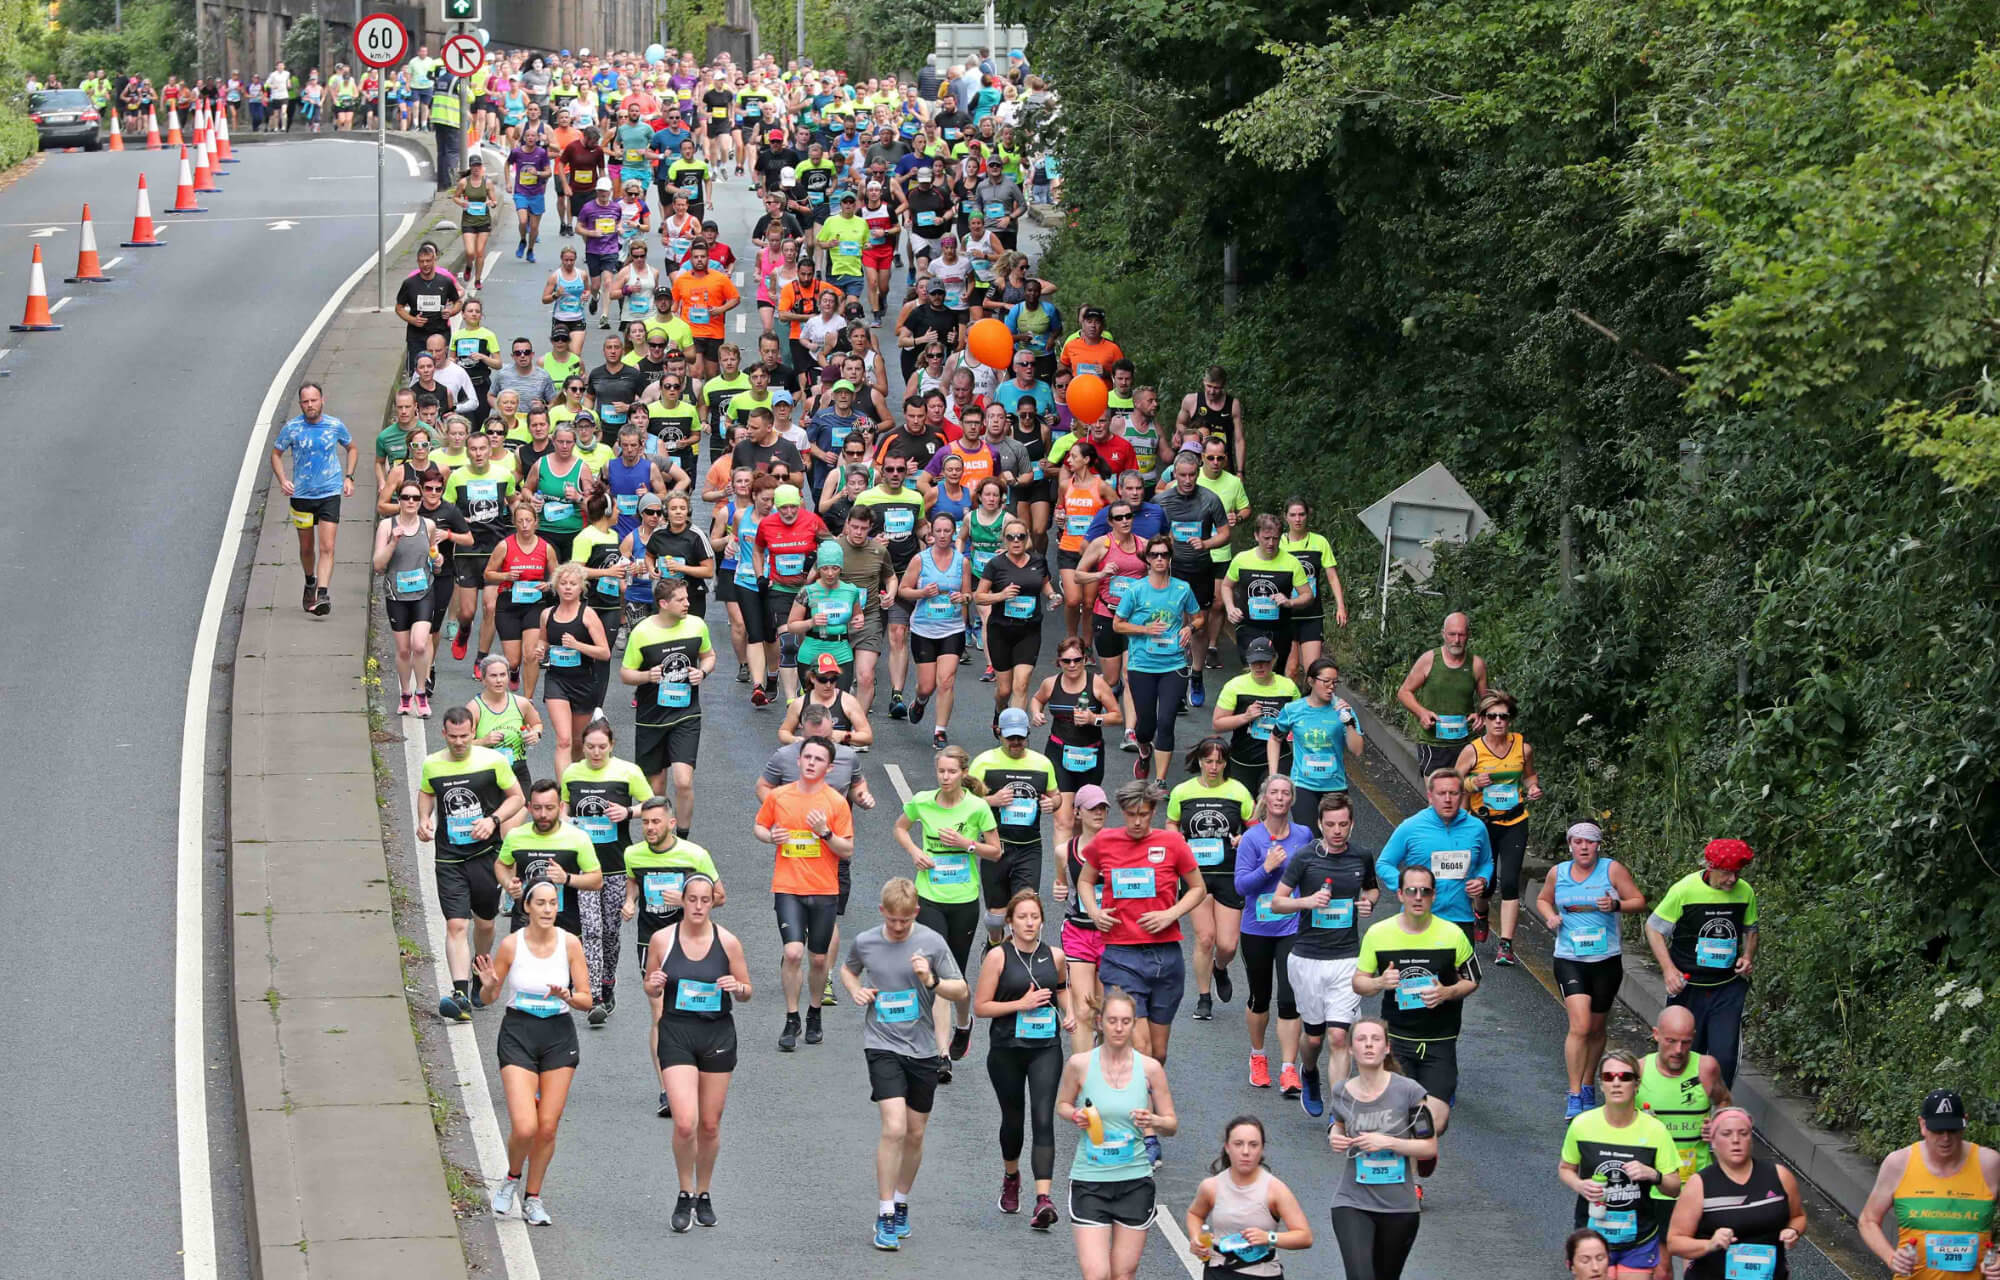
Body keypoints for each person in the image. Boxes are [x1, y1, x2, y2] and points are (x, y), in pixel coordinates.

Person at [842, 877, 970, 1251]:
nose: (898, 927)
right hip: (881, 1043)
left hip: (922, 1047)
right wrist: (855, 990)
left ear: (915, 913)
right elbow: (849, 970)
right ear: (883, 912)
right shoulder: (866, 941)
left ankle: (901, 1201)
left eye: (905, 920)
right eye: (892, 920)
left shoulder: (930, 942)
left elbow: (960, 988)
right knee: (894, 1126)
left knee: (915, 1132)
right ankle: (883, 1213)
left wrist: (930, 980)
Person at [474, 878, 591, 1226]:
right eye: (540, 903)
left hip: (558, 1035)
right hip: (518, 1034)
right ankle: (511, 1178)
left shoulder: (570, 944)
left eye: (553, 903)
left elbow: (586, 999)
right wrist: (490, 986)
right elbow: (488, 999)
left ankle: (533, 1198)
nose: (547, 909)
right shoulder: (511, 945)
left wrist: (568, 996)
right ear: (526, 906)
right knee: (525, 1127)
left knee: (548, 1127)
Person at [1076, 779, 1205, 1087]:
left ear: (1153, 812)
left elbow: (1198, 888)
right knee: (1141, 1047)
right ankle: (1140, 1123)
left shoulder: (1172, 844)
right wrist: (1093, 911)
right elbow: (1084, 881)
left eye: (1144, 814)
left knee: (1158, 1053)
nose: (1137, 821)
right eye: (1131, 814)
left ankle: (1133, 1090)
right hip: (1121, 955)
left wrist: (1170, 913)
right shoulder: (1104, 842)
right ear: (1122, 812)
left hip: (1166, 956)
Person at [644, 872, 751, 1231]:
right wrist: (654, 985)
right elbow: (650, 986)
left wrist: (737, 987)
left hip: (717, 1034)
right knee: (685, 1122)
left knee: (708, 1124)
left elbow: (747, 988)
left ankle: (704, 1192)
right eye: (693, 900)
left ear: (713, 903)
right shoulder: (662, 939)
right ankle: (684, 1191)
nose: (699, 906)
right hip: (676, 1033)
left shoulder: (728, 942)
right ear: (683, 901)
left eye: (706, 900)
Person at [1057, 986, 1179, 1280]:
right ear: (1100, 1022)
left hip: (1134, 1180)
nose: (1119, 1028)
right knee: (1096, 1273)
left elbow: (1172, 1123)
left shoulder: (1150, 1069)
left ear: (1133, 1022)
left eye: (1126, 1021)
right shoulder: (1080, 1064)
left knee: (1123, 1273)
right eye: (1112, 1020)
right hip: (1090, 1180)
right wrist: (1075, 1115)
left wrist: (1154, 1120)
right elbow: (1062, 1103)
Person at [895, 745, 1002, 1077]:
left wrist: (965, 844)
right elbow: (899, 827)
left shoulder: (978, 807)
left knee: (955, 978)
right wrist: (914, 851)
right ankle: (941, 1054)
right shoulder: (923, 801)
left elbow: (996, 851)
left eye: (952, 772)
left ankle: (963, 1022)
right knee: (936, 972)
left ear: (963, 774)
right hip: (929, 896)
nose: (945, 777)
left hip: (964, 901)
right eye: (941, 771)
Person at [973, 888, 1075, 1229]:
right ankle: (1011, 1176)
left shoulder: (1056, 956)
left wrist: (1069, 1013)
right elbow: (981, 1007)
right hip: (1007, 1050)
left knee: (1043, 1118)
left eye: (1034, 917)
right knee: (1013, 1121)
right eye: (1022, 918)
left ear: (1042, 921)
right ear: (1011, 923)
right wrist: (1021, 1005)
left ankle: (1044, 1199)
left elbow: (1061, 989)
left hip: (1046, 1047)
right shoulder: (998, 957)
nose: (1029, 923)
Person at [417, 706, 525, 1020]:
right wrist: (424, 819)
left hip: (486, 855)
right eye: (453, 737)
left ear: (472, 731)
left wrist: (493, 820)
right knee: (456, 924)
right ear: (444, 734)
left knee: (486, 923)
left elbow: (516, 797)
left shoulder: (492, 761)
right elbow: (427, 792)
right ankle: (460, 992)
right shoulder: (433, 764)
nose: (460, 742)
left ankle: (481, 962)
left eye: (465, 736)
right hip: (449, 857)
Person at [1536, 822, 1647, 1117]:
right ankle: (1573, 1094)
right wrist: (1549, 917)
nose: (1584, 847)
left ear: (1598, 846)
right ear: (1570, 845)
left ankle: (1587, 1084)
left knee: (1597, 1029)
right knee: (1581, 1026)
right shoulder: (1558, 873)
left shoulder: (1612, 870)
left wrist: (1615, 905)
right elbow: (1543, 899)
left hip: (1606, 960)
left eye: (1590, 842)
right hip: (1570, 959)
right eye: (1578, 842)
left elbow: (1639, 901)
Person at [620, 797, 722, 1112]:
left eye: (655, 822)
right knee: (661, 1015)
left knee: (691, 1013)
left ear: (671, 823)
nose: (649, 828)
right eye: (645, 823)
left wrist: (686, 901)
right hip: (651, 944)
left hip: (691, 943)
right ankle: (668, 1089)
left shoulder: (695, 855)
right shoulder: (633, 854)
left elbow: (719, 896)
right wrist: (630, 901)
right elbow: (633, 882)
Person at [1353, 865, 1479, 1119]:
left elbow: (1473, 979)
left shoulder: (1453, 934)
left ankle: (1418, 1154)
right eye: (1411, 891)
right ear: (1400, 894)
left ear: (1434, 896)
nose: (1418, 897)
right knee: (1398, 1118)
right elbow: (1358, 983)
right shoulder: (1378, 934)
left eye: (1425, 891)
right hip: (1397, 1041)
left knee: (1435, 1122)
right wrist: (1379, 983)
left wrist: (1447, 992)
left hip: (1439, 1041)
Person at [756, 736, 855, 1051]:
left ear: (828, 767)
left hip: (824, 889)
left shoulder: (836, 803)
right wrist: (770, 836)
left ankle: (814, 1012)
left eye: (819, 759)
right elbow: (759, 826)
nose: (812, 763)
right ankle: (791, 1018)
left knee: (818, 958)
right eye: (807, 757)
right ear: (798, 761)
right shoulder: (779, 796)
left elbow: (847, 848)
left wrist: (825, 833)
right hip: (788, 887)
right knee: (794, 952)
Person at [1325, 1016, 1440, 1280]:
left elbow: (1429, 1147)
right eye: (1361, 1040)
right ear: (1351, 1049)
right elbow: (1338, 1123)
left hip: (1399, 1207)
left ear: (1386, 1047)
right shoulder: (1342, 1091)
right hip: (1352, 1201)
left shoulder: (1409, 1091)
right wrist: (1335, 1135)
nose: (1368, 1045)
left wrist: (1386, 1142)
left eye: (1375, 1039)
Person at [1558, 1048, 1685, 1279]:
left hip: (1638, 1238)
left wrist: (1653, 1174)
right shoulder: (1582, 1125)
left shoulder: (1655, 1130)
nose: (1616, 1083)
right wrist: (1580, 1186)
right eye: (1609, 1077)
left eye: (1625, 1077)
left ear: (1636, 1085)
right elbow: (1566, 1169)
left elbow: (1675, 1186)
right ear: (1602, 1084)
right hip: (1592, 1237)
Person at [1646, 838, 1758, 1088]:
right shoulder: (1684, 890)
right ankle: (1679, 1109)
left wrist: (1748, 956)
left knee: (1724, 1057)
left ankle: (1719, 1115)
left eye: (1737, 873)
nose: (1732, 880)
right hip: (1688, 986)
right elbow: (1654, 928)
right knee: (1683, 1054)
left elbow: (1751, 928)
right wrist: (1668, 970)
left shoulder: (1745, 891)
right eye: (1727, 873)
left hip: (1726, 986)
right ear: (1711, 867)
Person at [560, 720, 652, 1021]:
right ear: (582, 747)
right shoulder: (572, 774)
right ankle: (595, 995)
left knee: (611, 932)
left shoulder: (628, 772)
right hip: (585, 869)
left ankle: (607, 981)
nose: (596, 752)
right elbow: (564, 808)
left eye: (602, 747)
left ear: (611, 746)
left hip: (615, 865)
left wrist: (628, 812)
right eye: (590, 747)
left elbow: (653, 806)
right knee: (591, 930)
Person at [1857, 1089, 2000, 1280]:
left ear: (1965, 1122)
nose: (1946, 1138)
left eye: (1952, 1129)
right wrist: (1891, 1258)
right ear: (1922, 1125)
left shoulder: (1989, 1164)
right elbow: (1868, 1220)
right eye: (1938, 1130)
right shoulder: (1899, 1164)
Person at [1232, 775, 1310, 1095]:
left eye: (1286, 793)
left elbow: (1314, 872)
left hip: (1291, 926)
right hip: (1257, 927)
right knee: (1259, 997)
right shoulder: (1252, 839)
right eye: (1274, 792)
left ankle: (1289, 1069)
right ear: (1265, 798)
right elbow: (1241, 887)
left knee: (1290, 999)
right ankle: (1258, 1056)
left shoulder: (1304, 835)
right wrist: (1266, 867)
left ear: (1292, 800)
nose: (1280, 798)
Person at [1168, 738, 1254, 1021]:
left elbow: (1255, 830)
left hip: (1230, 874)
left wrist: (1245, 838)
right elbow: (1172, 824)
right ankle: (1204, 998)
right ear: (1200, 762)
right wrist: (1176, 838)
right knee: (1205, 938)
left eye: (1219, 761)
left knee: (1227, 944)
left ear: (1226, 762)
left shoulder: (1238, 791)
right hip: (1196, 876)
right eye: (1208, 761)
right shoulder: (1182, 791)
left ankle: (1220, 967)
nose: (1213, 767)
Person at [1666, 1106, 1807, 1279]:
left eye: (1743, 1133)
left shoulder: (1779, 1175)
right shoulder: (1700, 1184)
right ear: (1713, 1140)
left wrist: (1793, 1231)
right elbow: (1674, 1242)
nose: (1735, 1140)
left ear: (1751, 1138)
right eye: (1726, 1134)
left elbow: (1798, 1216)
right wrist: (1710, 1244)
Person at [1453, 688, 1542, 959]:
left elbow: (1529, 776)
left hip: (1515, 820)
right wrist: (1472, 782)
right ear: (1484, 719)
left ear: (1510, 719)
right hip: (1483, 823)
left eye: (1503, 716)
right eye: (1492, 716)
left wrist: (1534, 787)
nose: (1498, 721)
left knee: (1511, 881)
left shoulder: (1522, 747)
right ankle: (1481, 913)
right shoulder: (1473, 750)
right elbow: (1452, 782)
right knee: (1487, 884)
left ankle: (1505, 944)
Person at [1112, 536, 1201, 781]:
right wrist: (1144, 630)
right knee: (1146, 725)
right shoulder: (1136, 590)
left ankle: (1160, 780)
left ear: (1170, 558)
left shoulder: (1182, 588)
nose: (1160, 559)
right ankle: (1144, 750)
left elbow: (1199, 617)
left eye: (1164, 554)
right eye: (1155, 555)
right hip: (1142, 665)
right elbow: (1117, 625)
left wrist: (1189, 629)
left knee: (1166, 721)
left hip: (1174, 664)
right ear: (1148, 560)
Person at [970, 709, 1060, 940]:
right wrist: (992, 800)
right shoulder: (983, 763)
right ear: (999, 733)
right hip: (996, 847)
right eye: (1011, 738)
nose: (1016, 743)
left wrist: (1053, 803)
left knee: (1027, 911)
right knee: (996, 918)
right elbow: (965, 803)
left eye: (1021, 737)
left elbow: (1056, 795)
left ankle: (1020, 960)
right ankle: (994, 942)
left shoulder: (1042, 763)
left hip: (1030, 847)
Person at [1185, 1116, 1314, 1276]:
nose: (1245, 1151)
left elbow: (1305, 1237)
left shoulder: (1275, 1190)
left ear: (1262, 1149)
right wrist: (1197, 1238)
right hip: (1218, 1272)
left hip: (1262, 1274)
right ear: (1227, 1147)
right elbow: (1195, 1214)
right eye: (1238, 1144)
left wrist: (1269, 1237)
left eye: (1253, 1145)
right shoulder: (1211, 1186)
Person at [271, 382, 356, 618]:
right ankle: (310, 581)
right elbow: (276, 454)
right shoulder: (292, 428)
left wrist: (349, 477)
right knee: (307, 548)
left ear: (322, 400)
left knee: (327, 547)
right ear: (300, 404)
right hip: (302, 496)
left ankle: (323, 593)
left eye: (314, 400)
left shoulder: (334, 425)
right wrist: (282, 479)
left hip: (329, 493)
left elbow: (352, 448)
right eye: (305, 402)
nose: (310, 405)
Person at [1376, 770, 1493, 940]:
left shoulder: (1477, 828)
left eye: (1453, 793)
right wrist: (1409, 888)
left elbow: (1486, 862)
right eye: (1441, 793)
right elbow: (1384, 864)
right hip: (1418, 919)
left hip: (1460, 919)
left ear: (1461, 795)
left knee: (1458, 967)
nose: (1447, 799)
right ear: (1430, 796)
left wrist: (1482, 879)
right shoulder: (1411, 827)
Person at [1031, 636, 1122, 852]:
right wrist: (1036, 713)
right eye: (1066, 661)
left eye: (1077, 660)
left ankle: (1079, 871)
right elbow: (1037, 699)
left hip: (1090, 756)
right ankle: (1062, 879)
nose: (1072, 665)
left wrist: (1094, 719)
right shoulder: (1051, 683)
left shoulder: (1096, 684)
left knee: (1084, 822)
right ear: (1059, 662)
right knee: (1063, 822)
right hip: (1058, 753)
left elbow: (1117, 716)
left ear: (1084, 659)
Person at [536, 563, 612, 776]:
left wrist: (578, 645)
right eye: (563, 583)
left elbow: (604, 652)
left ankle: (577, 777)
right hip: (556, 681)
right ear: (556, 586)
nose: (568, 588)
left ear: (581, 588)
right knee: (563, 740)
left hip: (584, 682)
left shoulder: (588, 615)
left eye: (573, 584)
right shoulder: (546, 614)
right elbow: (543, 641)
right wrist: (540, 651)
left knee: (578, 742)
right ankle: (563, 794)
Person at [374, 479, 443, 715]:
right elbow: (378, 564)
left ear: (421, 501)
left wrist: (438, 561)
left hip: (423, 592)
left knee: (419, 644)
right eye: (406, 498)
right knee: (403, 650)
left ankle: (421, 692)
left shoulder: (429, 525)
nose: (411, 502)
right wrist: (394, 541)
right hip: (396, 594)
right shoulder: (387, 525)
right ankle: (405, 693)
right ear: (399, 501)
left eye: (415, 498)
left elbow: (434, 555)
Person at [1395, 611, 1489, 777]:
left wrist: (1481, 715)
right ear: (1443, 634)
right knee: (1438, 798)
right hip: (1433, 743)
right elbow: (1404, 692)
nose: (1456, 640)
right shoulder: (1429, 659)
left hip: (1465, 743)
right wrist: (1421, 712)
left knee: (1461, 798)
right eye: (1452, 634)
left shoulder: (1476, 664)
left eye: (1461, 634)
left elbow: (1488, 702)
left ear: (1468, 635)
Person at [1221, 514, 1310, 672]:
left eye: (1275, 539)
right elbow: (1226, 585)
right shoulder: (1242, 559)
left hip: (1279, 630)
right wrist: (1230, 608)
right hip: (1248, 627)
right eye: (1266, 538)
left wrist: (1290, 602)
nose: (1271, 543)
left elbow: (1307, 595)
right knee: (1253, 672)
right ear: (1256, 535)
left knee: (1275, 674)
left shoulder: (1291, 562)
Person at [485, 500, 556, 697]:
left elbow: (558, 576)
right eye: (520, 521)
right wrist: (505, 576)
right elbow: (488, 573)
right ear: (515, 523)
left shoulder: (545, 548)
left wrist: (549, 585)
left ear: (536, 522)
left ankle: (527, 700)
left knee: (531, 655)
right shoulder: (504, 546)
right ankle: (514, 671)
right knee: (513, 660)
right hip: (509, 604)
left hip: (535, 604)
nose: (524, 525)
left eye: (528, 520)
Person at [1214, 636, 1299, 794]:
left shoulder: (1288, 687)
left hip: (1279, 758)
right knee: (1245, 812)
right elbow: (1217, 724)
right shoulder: (1235, 686)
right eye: (1254, 662)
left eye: (1265, 661)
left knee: (1274, 805)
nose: (1259, 666)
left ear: (1274, 660)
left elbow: (1300, 722)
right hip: (1243, 759)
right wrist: (1245, 717)